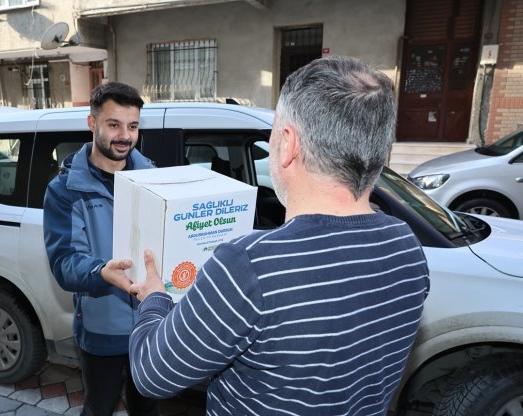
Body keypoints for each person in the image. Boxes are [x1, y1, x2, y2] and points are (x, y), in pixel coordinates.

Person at [128, 56, 430, 415]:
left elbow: (152, 375)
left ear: (287, 143)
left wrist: (153, 298)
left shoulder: (249, 266)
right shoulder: (407, 246)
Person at [43, 82, 159, 416]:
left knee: (147, 409)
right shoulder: (65, 190)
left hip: (150, 325)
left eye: (132, 126)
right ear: (92, 123)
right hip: (101, 328)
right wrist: (100, 272)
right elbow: (64, 263)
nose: (125, 135)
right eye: (114, 124)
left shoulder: (154, 178)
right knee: (100, 408)